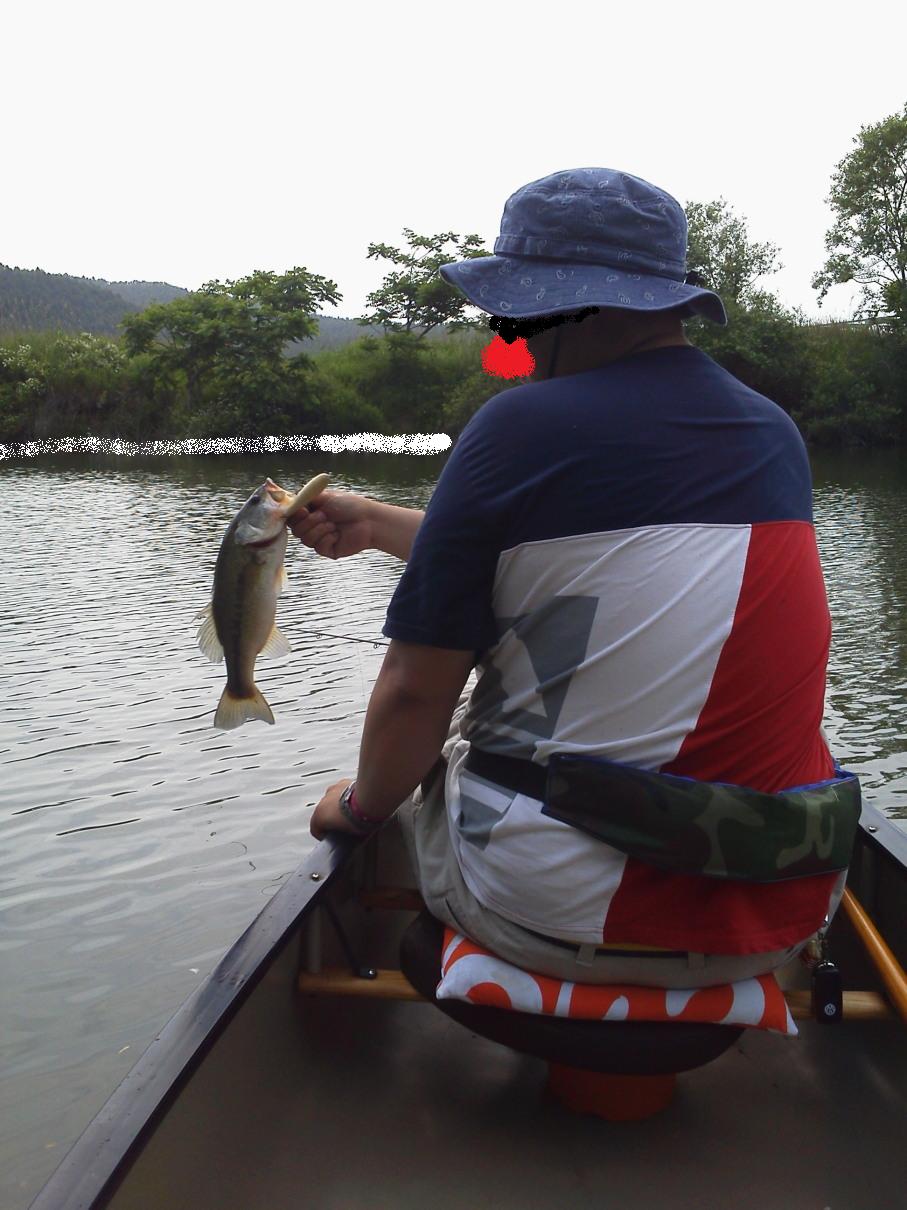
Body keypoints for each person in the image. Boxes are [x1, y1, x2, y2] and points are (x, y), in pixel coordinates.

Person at [291, 167, 851, 989]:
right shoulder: (771, 432)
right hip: (777, 908)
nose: (510, 335)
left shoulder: (517, 427)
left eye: (515, 311)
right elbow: (592, 571)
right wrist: (378, 525)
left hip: (557, 914)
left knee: (436, 754)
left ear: (569, 308)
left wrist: (359, 808)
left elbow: (414, 689)